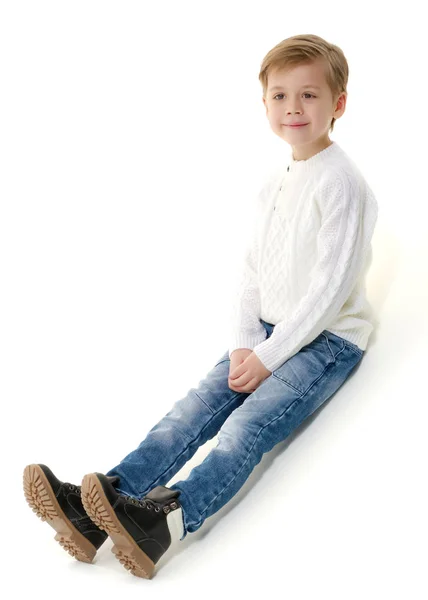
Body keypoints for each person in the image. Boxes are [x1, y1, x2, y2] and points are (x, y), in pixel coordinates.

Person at [23, 33, 378, 580]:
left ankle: (167, 520)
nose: (294, 109)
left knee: (247, 427)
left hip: (325, 341)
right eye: (280, 96)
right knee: (189, 413)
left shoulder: (342, 184)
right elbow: (250, 272)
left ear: (339, 103)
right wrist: (244, 344)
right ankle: (105, 509)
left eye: (309, 96)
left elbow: (329, 292)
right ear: (264, 105)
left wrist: (270, 356)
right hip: (268, 332)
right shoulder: (274, 181)